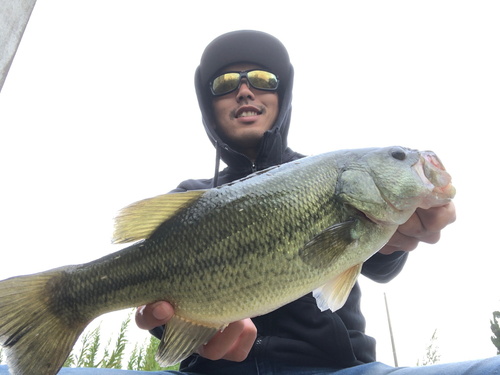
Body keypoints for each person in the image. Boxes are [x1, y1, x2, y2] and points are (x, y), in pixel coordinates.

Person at [0, 30, 495, 375]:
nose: (244, 90)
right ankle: (60, 301)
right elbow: (166, 318)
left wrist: (396, 238)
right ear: (208, 104)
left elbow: (378, 264)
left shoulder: (324, 176)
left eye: (262, 78)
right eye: (224, 83)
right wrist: (179, 334)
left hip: (337, 369)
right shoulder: (188, 196)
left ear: (282, 96)